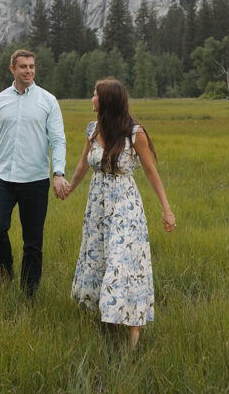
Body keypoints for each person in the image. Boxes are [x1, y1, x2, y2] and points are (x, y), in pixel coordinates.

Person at [67, 77, 175, 348]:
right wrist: (69, 187)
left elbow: (151, 171)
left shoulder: (135, 133)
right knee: (98, 260)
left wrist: (167, 210)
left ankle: (133, 335)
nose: (91, 98)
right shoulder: (93, 129)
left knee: (122, 265)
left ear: (106, 101)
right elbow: (82, 165)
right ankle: (108, 322)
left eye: (94, 94)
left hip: (125, 209)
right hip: (97, 209)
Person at [0, 49, 68, 296]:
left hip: (35, 181)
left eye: (32, 66)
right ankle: (5, 269)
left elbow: (58, 140)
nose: (28, 71)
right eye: (23, 67)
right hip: (2, 178)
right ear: (12, 70)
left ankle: (29, 296)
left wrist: (58, 172)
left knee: (33, 243)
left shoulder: (47, 101)